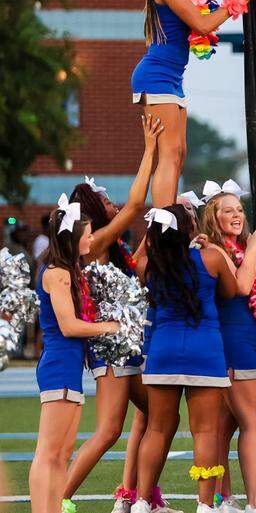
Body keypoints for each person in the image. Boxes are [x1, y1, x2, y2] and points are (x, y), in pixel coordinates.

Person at [63, 116, 165, 513]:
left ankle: (134, 497)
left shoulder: (111, 248)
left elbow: (136, 269)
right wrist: (150, 150)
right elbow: (137, 204)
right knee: (108, 430)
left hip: (125, 345)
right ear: (94, 210)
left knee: (157, 414)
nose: (115, 206)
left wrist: (157, 233)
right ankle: (59, 497)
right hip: (111, 346)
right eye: (107, 203)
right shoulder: (95, 242)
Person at [135, 0, 255, 206]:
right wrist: (235, 2)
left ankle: (169, 214)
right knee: (169, 153)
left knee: (179, 153)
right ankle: (164, 218)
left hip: (172, 77)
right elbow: (202, 25)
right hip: (156, 75)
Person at [131, 205, 239, 513]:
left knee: (156, 429)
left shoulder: (149, 265)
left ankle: (141, 502)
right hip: (204, 351)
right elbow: (231, 291)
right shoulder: (212, 257)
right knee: (205, 431)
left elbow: (136, 259)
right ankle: (205, 505)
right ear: (189, 229)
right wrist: (211, 247)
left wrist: (154, 238)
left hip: (163, 352)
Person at [197, 188, 256, 513]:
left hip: (241, 341)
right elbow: (240, 285)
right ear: (213, 217)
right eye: (228, 211)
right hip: (235, 345)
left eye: (239, 209)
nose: (237, 215)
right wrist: (252, 248)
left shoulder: (233, 248)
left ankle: (223, 499)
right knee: (254, 420)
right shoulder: (214, 249)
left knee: (226, 428)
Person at [28, 197, 121, 513]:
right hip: (60, 364)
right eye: (89, 234)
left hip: (67, 365)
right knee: (48, 452)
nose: (92, 239)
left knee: (63, 453)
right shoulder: (58, 273)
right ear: (73, 238)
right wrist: (110, 327)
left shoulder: (69, 270)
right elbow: (68, 326)